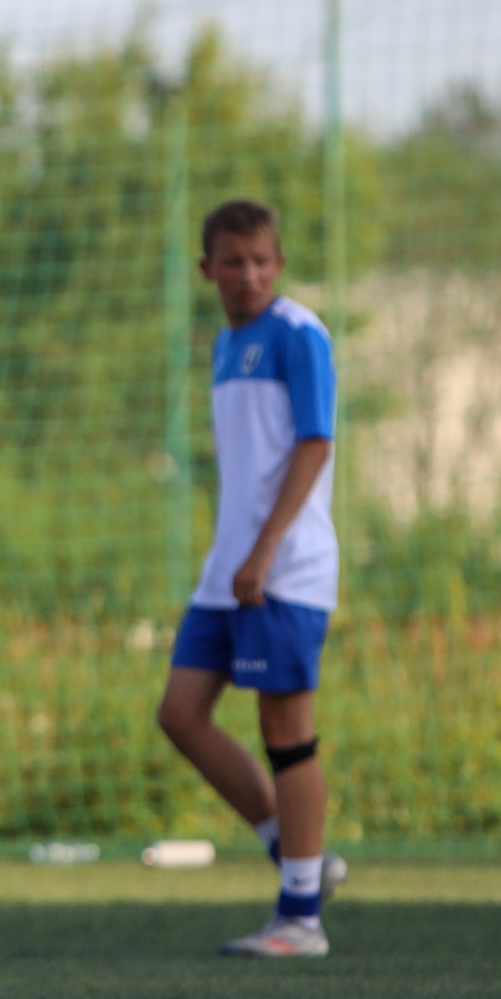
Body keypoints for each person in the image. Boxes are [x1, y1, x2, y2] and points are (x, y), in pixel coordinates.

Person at [156, 199, 347, 959]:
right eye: (233, 262)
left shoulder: (299, 333)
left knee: (287, 734)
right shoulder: (226, 343)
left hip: (284, 568)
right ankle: (299, 856)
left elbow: (314, 445)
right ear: (207, 269)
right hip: (229, 569)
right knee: (180, 713)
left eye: (262, 259)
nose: (249, 274)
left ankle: (300, 918)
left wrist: (265, 550)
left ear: (280, 261)